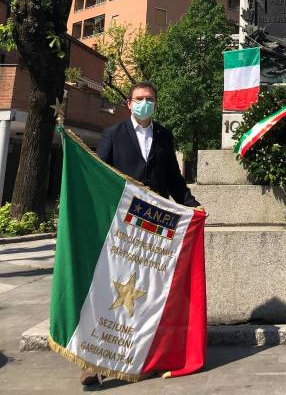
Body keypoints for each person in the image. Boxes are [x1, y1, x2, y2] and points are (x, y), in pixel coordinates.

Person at [80, 81, 202, 386]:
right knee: (110, 292)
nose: (144, 103)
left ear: (156, 104)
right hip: (120, 229)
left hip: (153, 230)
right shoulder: (112, 135)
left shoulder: (163, 136)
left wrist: (193, 206)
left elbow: (173, 180)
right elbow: (101, 175)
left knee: (143, 295)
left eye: (149, 99)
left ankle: (140, 356)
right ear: (128, 104)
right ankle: (93, 361)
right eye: (139, 99)